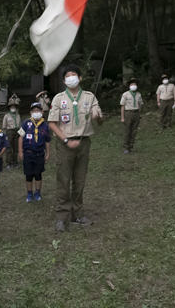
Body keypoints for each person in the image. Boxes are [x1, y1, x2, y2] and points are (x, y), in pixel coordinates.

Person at [48, 65, 103, 232]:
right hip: (65, 144)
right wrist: (66, 140)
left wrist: (98, 116)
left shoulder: (89, 97)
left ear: (80, 78)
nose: (71, 78)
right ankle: (61, 217)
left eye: (74, 75)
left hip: (83, 143)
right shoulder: (58, 98)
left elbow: (100, 121)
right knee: (63, 180)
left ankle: (77, 215)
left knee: (79, 181)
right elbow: (52, 123)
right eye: (67, 76)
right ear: (64, 80)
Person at [18, 103, 51, 202]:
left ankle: (37, 192)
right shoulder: (25, 123)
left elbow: (47, 141)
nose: (36, 112)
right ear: (30, 112)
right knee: (28, 175)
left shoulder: (45, 125)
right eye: (34, 111)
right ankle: (29, 193)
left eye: (38, 110)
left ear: (42, 112)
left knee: (38, 174)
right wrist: (20, 151)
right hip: (28, 153)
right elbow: (20, 137)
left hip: (39, 154)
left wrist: (48, 153)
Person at [121, 78, 143, 153]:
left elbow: (140, 105)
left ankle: (131, 146)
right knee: (128, 130)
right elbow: (122, 106)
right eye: (132, 84)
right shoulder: (125, 94)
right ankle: (126, 147)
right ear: (129, 86)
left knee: (134, 131)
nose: (133, 86)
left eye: (135, 84)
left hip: (136, 113)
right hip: (128, 113)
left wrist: (139, 114)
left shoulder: (138, 94)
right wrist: (122, 117)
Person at [2, 94, 21, 169]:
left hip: (17, 131)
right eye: (11, 107)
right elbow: (4, 126)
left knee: (16, 148)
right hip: (9, 132)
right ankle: (8, 163)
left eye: (14, 107)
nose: (13, 108)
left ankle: (15, 162)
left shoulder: (18, 115)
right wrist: (4, 134)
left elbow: (19, 124)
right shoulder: (7, 116)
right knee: (9, 148)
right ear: (9, 108)